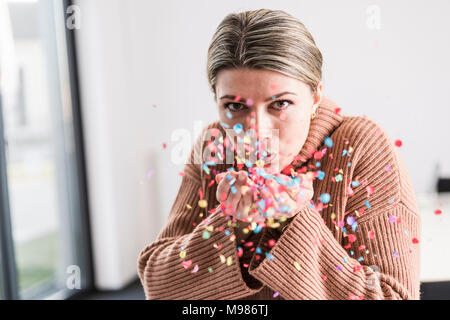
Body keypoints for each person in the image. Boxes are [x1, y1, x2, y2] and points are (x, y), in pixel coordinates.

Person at [137, 8, 421, 300]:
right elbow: (159, 287)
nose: (257, 132)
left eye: (280, 104)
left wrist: (293, 221)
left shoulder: (362, 147)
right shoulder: (215, 146)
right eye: (235, 107)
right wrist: (235, 225)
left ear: (315, 97)